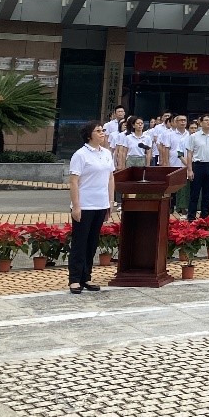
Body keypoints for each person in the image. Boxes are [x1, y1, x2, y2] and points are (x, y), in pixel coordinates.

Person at [67, 122, 115, 294]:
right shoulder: (80, 155)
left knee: (92, 242)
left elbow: (110, 178)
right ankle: (74, 279)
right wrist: (76, 206)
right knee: (80, 242)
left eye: (103, 130)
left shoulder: (107, 153)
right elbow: (73, 182)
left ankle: (86, 277)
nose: (102, 133)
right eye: (98, 131)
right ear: (89, 135)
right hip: (85, 205)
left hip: (101, 204)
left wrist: (110, 202)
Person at [184, 114, 209, 221]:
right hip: (197, 166)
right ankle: (191, 217)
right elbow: (189, 154)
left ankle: (205, 217)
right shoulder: (194, 136)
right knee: (194, 193)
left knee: (207, 193)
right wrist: (190, 170)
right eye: (206, 120)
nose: (208, 122)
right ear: (200, 122)